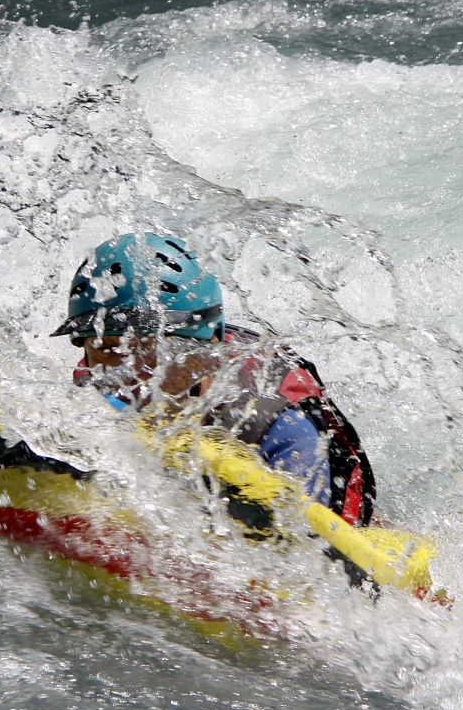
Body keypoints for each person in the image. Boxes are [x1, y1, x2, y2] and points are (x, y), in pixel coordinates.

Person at [51, 233, 376, 546]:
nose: (131, 373)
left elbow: (307, 557)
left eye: (153, 348)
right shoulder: (95, 382)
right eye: (109, 348)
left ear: (209, 351)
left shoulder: (282, 426)